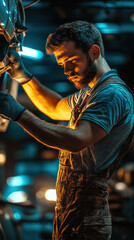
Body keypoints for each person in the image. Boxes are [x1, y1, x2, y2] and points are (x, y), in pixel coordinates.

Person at [0, 20, 134, 240]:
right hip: (73, 216)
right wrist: (22, 76)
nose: (66, 71)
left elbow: (76, 139)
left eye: (72, 60)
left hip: (86, 220)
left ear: (94, 52)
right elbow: (54, 107)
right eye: (62, 63)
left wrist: (18, 114)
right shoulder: (92, 93)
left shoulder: (111, 95)